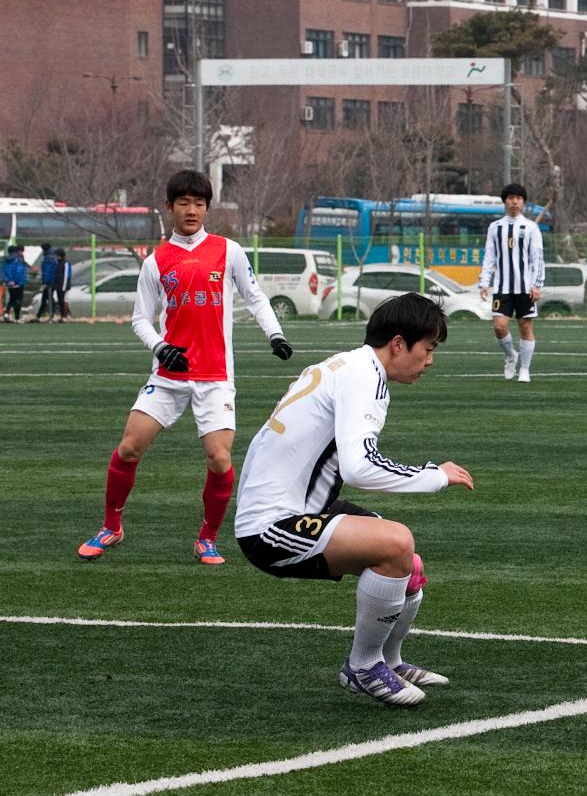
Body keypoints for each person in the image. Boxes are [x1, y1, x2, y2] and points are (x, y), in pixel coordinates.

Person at [235, 293, 475, 707]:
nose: (430, 361)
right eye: (428, 349)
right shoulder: (364, 376)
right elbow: (359, 467)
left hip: (305, 508)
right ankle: (362, 667)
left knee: (408, 565)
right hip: (271, 526)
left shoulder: (350, 365)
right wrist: (433, 476)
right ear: (398, 344)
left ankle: (389, 660)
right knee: (395, 543)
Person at [77, 170, 293, 565]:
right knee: (128, 447)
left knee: (220, 459)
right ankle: (112, 526)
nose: (191, 210)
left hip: (215, 377)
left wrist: (274, 336)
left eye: (198, 203)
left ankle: (207, 539)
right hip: (169, 376)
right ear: (170, 207)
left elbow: (256, 298)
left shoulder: (229, 251)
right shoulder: (156, 261)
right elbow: (141, 319)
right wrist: (160, 348)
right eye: (183, 203)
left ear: (207, 207)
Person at [478, 183, 545, 383]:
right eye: (510, 198)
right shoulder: (495, 227)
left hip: (525, 287)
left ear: (523, 202)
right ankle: (510, 356)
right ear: (505, 201)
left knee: (525, 326)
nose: (514, 202)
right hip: (502, 287)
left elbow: (537, 258)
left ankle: (524, 369)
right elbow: (489, 256)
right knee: (499, 326)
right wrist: (484, 282)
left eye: (518, 198)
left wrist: (537, 285)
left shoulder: (531, 227)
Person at [3, 244, 28, 323]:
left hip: (9, 284)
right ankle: (17, 318)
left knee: (12, 299)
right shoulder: (18, 260)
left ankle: (6, 313)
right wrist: (20, 282)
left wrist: (8, 281)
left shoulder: (5, 260)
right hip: (17, 283)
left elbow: (3, 272)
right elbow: (19, 272)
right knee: (18, 300)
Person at [34, 243, 58, 322]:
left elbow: (48, 272)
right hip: (51, 281)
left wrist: (45, 282)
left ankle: (50, 316)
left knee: (48, 298)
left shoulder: (48, 259)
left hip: (49, 283)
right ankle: (39, 316)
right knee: (46, 298)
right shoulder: (53, 256)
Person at [51, 248, 72, 321]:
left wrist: (64, 287)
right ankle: (62, 316)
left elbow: (66, 276)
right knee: (60, 301)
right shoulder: (58, 263)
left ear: (59, 256)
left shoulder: (66, 263)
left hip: (64, 286)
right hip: (58, 285)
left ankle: (65, 316)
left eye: (56, 255)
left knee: (63, 301)